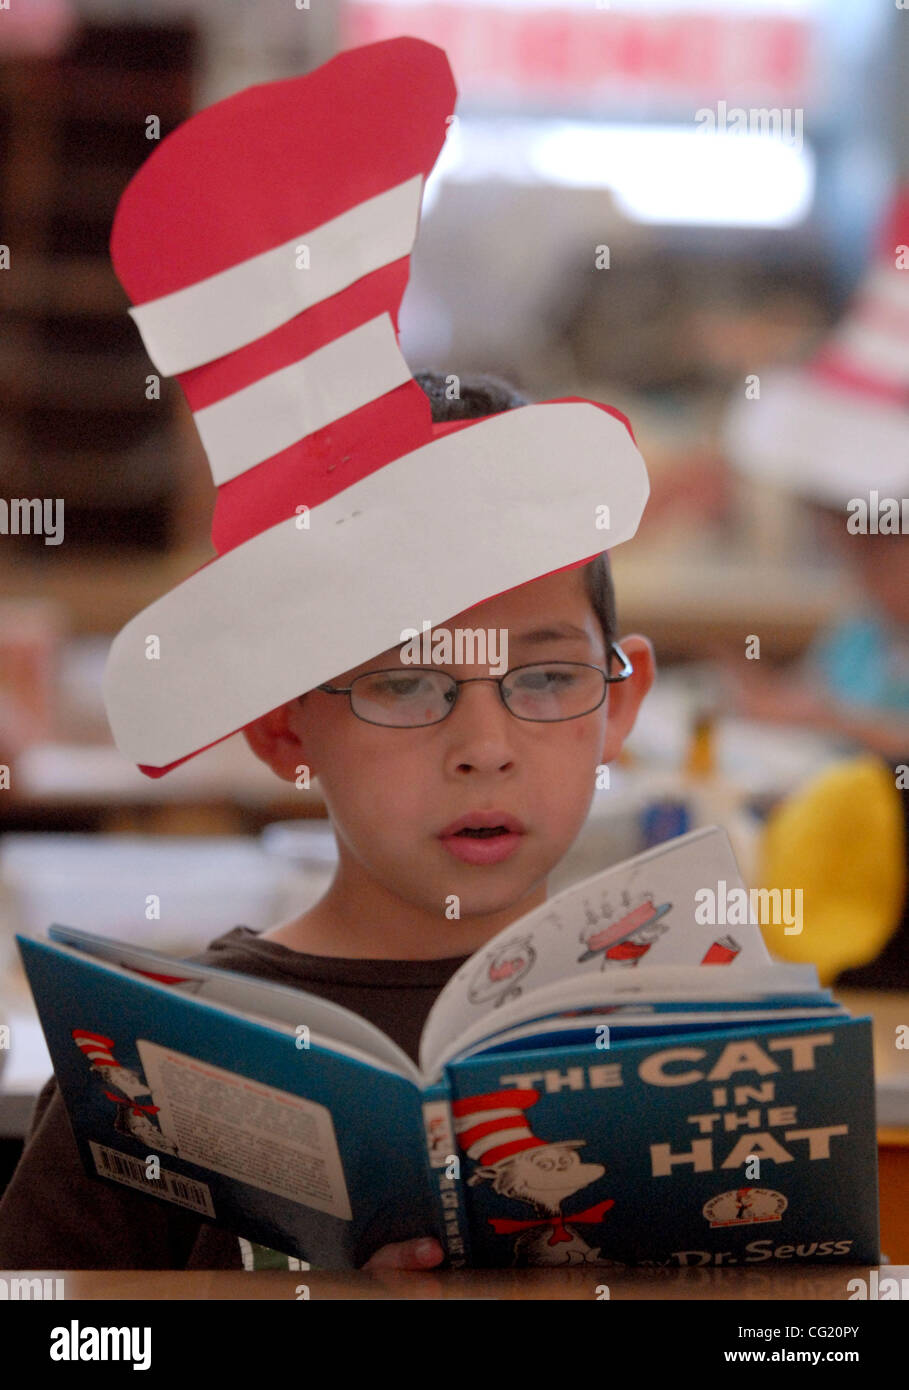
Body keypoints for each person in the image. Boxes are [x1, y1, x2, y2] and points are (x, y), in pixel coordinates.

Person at [0, 371, 655, 1270]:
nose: (484, 747)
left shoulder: (703, 1038)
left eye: (544, 679)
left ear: (619, 705)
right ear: (283, 727)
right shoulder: (136, 1061)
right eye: (406, 685)